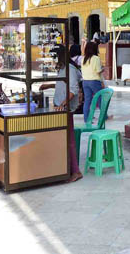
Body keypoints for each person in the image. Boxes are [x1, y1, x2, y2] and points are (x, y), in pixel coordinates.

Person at [40, 45, 83, 182]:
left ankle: (76, 171)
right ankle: (66, 168)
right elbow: (62, 84)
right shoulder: (65, 68)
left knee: (69, 140)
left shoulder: (70, 69)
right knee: (64, 138)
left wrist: (63, 104)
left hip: (65, 108)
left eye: (56, 57)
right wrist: (49, 85)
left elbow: (73, 90)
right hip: (61, 106)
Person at [81, 42, 104, 122]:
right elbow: (98, 71)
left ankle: (86, 119)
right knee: (100, 98)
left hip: (85, 82)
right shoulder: (96, 58)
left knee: (87, 100)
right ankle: (104, 117)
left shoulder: (83, 58)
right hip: (94, 81)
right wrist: (102, 69)